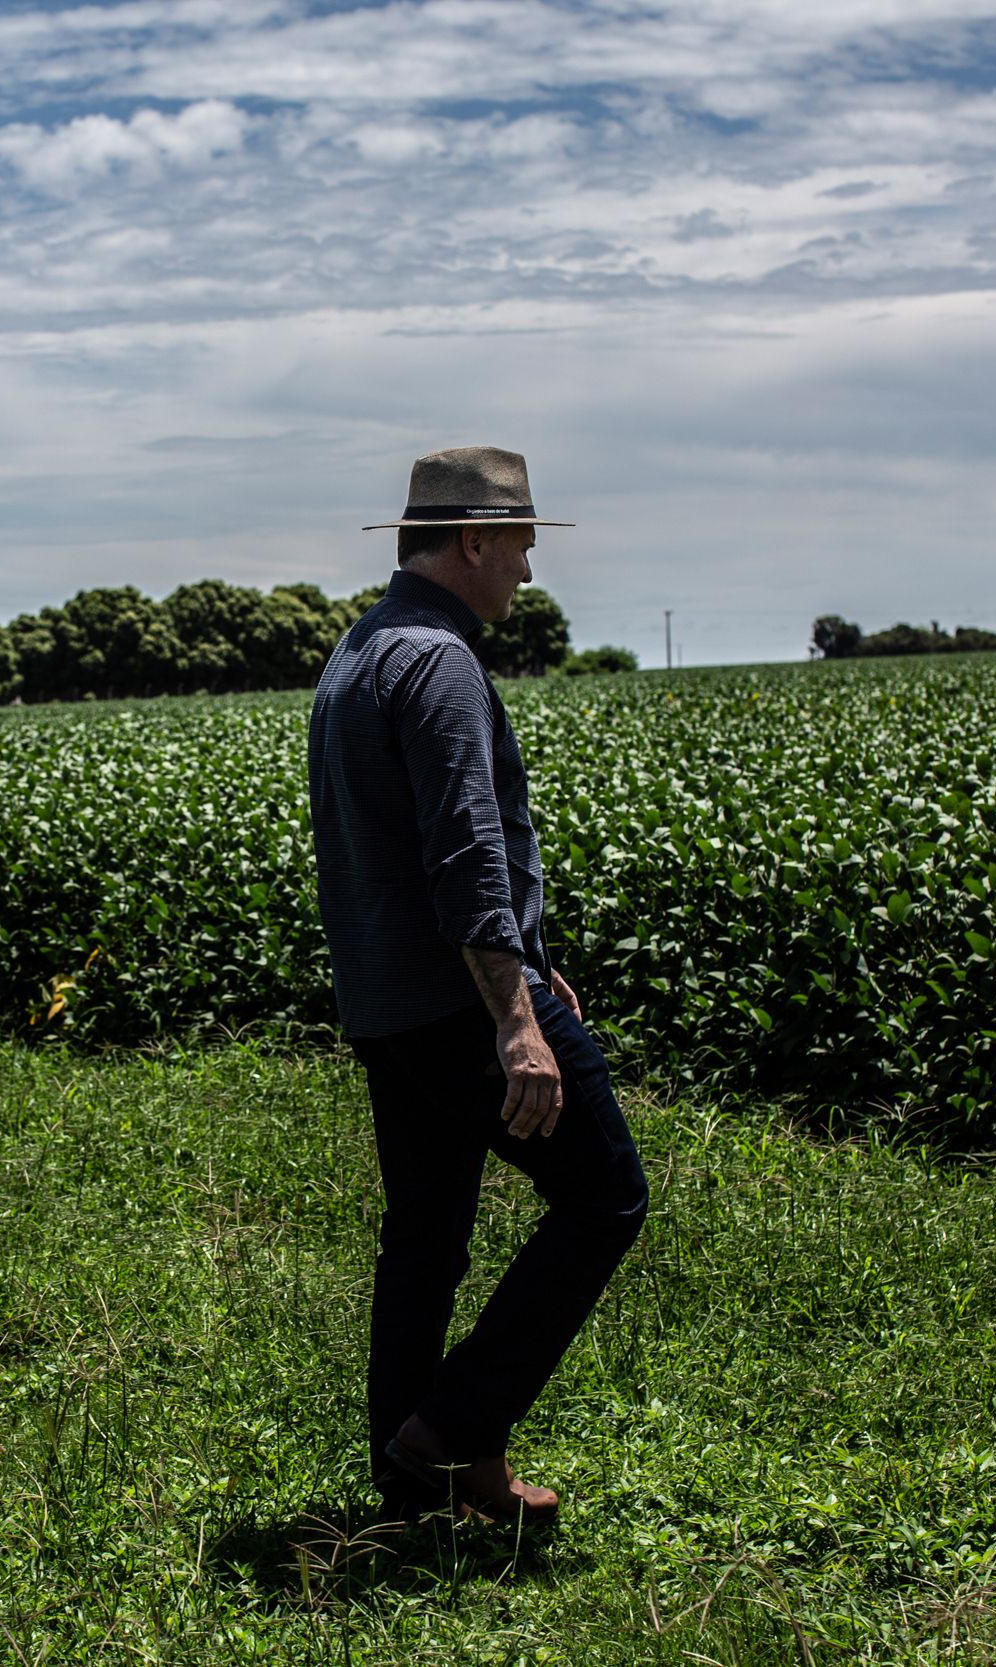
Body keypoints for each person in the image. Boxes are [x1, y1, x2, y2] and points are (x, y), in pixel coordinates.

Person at [306, 445, 649, 1527]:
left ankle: (411, 1487)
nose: (528, 573)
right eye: (521, 547)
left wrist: (532, 961)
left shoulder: (361, 650)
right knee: (603, 1198)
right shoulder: (440, 661)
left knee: (425, 1237)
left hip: (387, 1000)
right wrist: (518, 1019)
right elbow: (464, 851)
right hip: (459, 999)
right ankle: (453, 1432)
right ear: (473, 541)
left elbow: (403, 849)